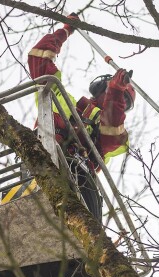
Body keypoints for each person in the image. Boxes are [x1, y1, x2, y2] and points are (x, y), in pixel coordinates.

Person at [28, 13, 135, 169]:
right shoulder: (61, 100)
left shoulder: (113, 132)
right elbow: (39, 58)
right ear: (102, 86)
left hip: (77, 180)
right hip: (38, 162)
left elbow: (112, 133)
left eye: (124, 102)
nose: (120, 101)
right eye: (121, 97)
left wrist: (116, 90)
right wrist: (64, 32)